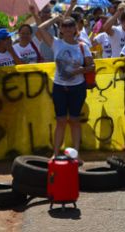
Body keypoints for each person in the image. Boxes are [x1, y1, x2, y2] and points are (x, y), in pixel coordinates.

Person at [35, 15, 94, 158]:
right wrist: (55, 19)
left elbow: (91, 66)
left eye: (70, 26)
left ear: (75, 28)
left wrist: (79, 70)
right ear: (61, 29)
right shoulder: (56, 43)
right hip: (59, 87)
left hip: (77, 87)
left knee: (74, 120)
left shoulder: (82, 46)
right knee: (61, 121)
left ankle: (76, 153)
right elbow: (41, 28)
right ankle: (55, 153)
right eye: (65, 26)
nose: (67, 28)